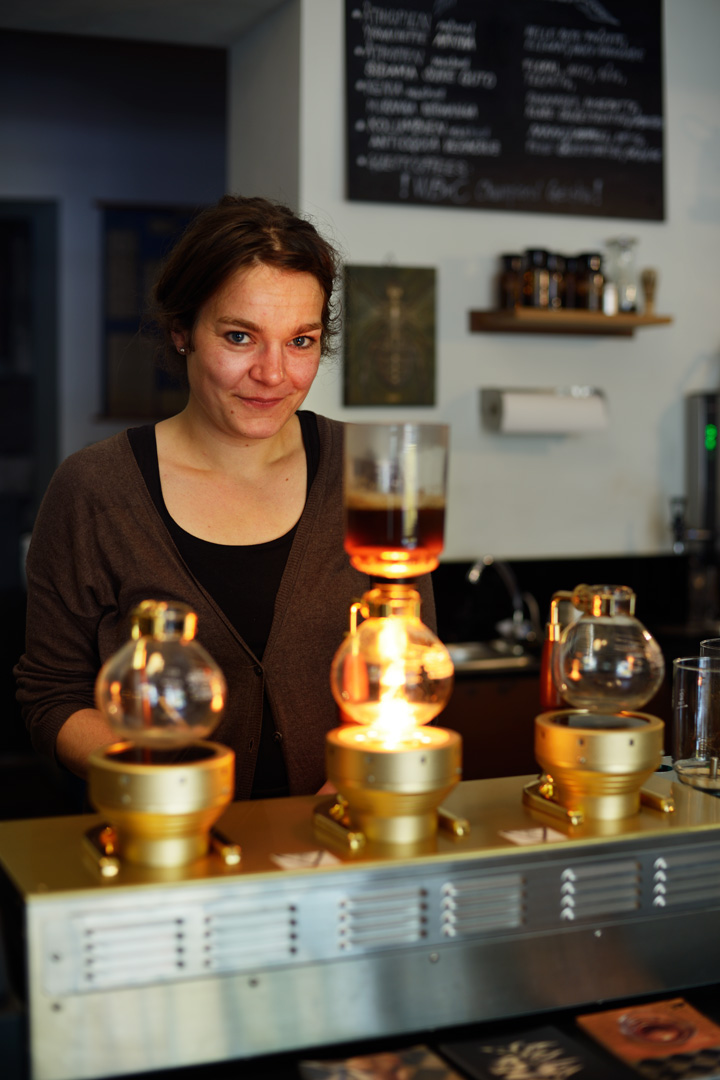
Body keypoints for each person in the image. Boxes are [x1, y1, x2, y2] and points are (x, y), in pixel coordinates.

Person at [14, 195, 436, 801]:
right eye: (240, 337)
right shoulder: (94, 489)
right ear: (181, 331)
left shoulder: (372, 473)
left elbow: (413, 667)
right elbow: (52, 694)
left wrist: (350, 788)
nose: (273, 374)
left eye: (301, 341)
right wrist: (165, 788)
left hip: (343, 833)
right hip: (166, 836)